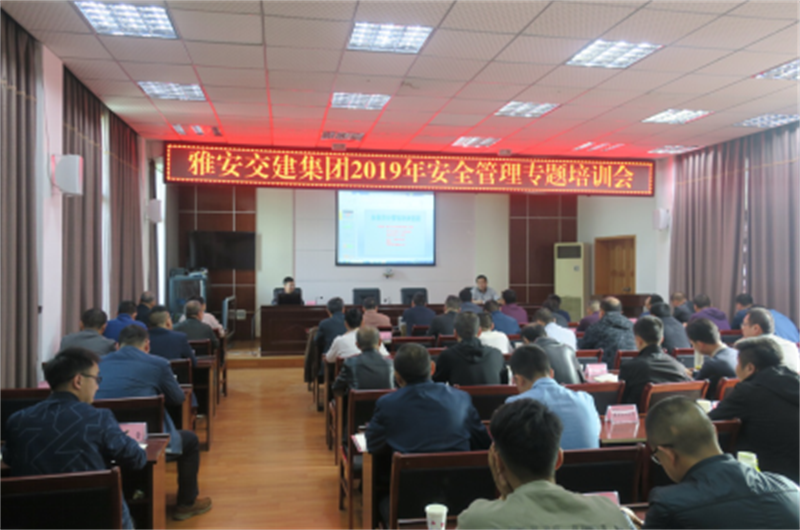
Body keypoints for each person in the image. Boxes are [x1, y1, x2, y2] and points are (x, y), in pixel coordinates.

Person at [2, 348, 147, 530]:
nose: (97, 386)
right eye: (96, 379)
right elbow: (136, 459)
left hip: (30, 519)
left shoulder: (18, 419)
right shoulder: (98, 418)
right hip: (92, 517)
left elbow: (8, 458)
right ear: (78, 381)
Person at [457, 400, 633, 530]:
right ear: (558, 459)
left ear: (498, 463)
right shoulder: (611, 514)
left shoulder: (476, 522)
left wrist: (505, 497)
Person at [96, 325, 212, 520]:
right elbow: (178, 398)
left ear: (117, 345)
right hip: (145, 440)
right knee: (190, 441)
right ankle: (186, 504)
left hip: (102, 440)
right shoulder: (158, 364)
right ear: (147, 345)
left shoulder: (97, 364)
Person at [643, 396, 800, 529]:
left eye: (657, 458)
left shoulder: (670, 505)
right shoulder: (788, 486)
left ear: (668, 454)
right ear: (715, 432)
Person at [366, 343, 491, 454]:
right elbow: (483, 443)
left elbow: (372, 445)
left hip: (410, 473)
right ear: (432, 368)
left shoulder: (387, 404)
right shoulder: (461, 398)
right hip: (459, 473)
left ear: (397, 377)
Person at [709, 336, 800, 483]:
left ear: (750, 368)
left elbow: (710, 420)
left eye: (738, 363)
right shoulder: (794, 380)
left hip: (769, 478)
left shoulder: (749, 390)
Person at [505, 345, 597, 448]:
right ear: (551, 373)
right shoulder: (586, 400)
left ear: (519, 380)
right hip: (589, 459)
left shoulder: (514, 405)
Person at [619, 316, 690, 406]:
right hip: (674, 413)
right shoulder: (679, 367)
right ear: (662, 339)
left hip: (642, 414)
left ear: (639, 340)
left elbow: (621, 402)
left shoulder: (629, 367)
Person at [432, 312, 506, 386]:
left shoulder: (447, 356)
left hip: (460, 394)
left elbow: (437, 385)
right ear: (479, 332)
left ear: (455, 334)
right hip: (492, 394)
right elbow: (504, 384)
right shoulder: (496, 354)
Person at [331, 327, 394, 396]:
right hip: (387, 402)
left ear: (357, 345)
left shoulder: (350, 362)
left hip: (357, 403)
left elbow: (337, 389)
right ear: (379, 342)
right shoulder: (391, 363)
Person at [685, 318, 737, 398]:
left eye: (692, 344)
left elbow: (694, 390)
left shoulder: (712, 364)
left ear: (700, 344)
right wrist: (694, 373)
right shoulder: (736, 353)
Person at [578, 297, 636, 367]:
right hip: (632, 369)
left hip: (605, 370)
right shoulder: (633, 327)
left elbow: (584, 352)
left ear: (602, 313)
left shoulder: (595, 328)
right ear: (621, 312)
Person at [520, 325, 584, 385]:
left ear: (526, 340)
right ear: (546, 335)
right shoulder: (568, 349)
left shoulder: (531, 353)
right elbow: (582, 379)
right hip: (575, 391)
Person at [741, 307, 799, 372]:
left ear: (756, 328)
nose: (742, 328)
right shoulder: (791, 345)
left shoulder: (751, 348)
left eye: (744, 324)